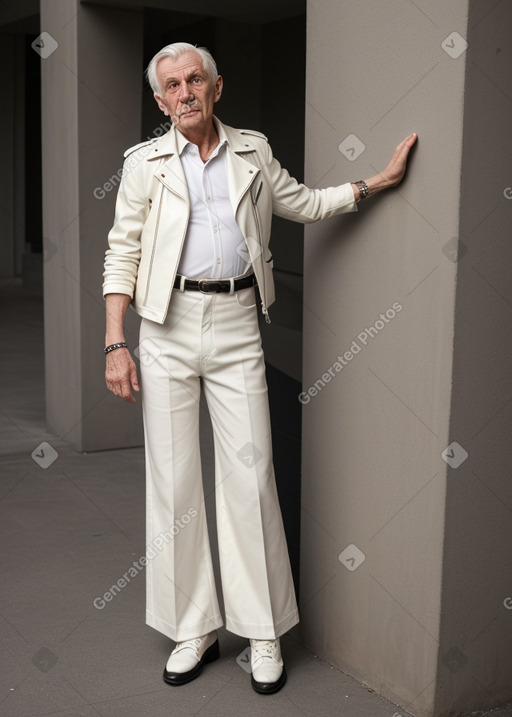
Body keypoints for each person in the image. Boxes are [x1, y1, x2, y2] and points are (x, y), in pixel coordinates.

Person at [102, 41, 417, 695]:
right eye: (171, 86)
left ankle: (262, 629)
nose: (184, 92)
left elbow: (301, 203)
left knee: (250, 476)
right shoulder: (143, 164)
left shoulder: (254, 150)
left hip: (239, 324)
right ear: (160, 102)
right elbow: (121, 252)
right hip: (164, 327)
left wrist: (372, 185)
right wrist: (115, 341)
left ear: (217, 87)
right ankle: (193, 627)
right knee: (174, 481)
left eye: (195, 79)